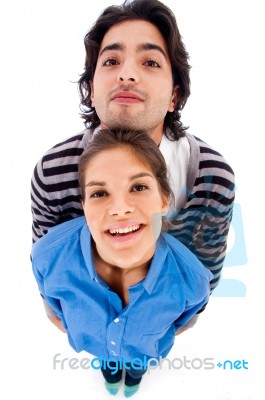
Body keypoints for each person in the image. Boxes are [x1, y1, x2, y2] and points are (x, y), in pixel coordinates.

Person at [31, 0, 235, 316]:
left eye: (150, 62)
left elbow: (201, 283)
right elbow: (47, 271)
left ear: (174, 96)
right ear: (91, 91)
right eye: (111, 61)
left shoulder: (211, 175)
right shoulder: (53, 171)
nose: (126, 74)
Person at [31, 129, 213, 397]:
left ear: (164, 199)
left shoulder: (192, 280)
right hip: (97, 346)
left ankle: (135, 376)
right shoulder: (48, 255)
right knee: (109, 363)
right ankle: (110, 370)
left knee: (137, 365)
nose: (119, 208)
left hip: (144, 351)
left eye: (138, 187)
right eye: (99, 193)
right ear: (84, 205)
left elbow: (183, 320)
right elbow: (49, 293)